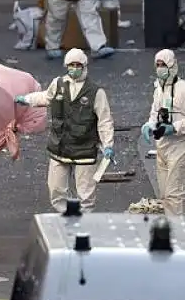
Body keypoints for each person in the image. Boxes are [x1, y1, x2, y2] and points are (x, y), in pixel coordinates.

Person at [15, 48, 115, 213]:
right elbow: (46, 97)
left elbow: (105, 120)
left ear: (84, 66)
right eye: (71, 65)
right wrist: (26, 99)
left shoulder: (96, 93)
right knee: (56, 188)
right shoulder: (58, 84)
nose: (74, 68)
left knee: (86, 193)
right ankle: (64, 218)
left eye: (78, 65)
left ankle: (84, 222)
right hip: (60, 145)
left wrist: (108, 144)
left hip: (85, 148)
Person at [135, 49, 185, 215]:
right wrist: (150, 125)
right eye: (157, 65)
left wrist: (175, 127)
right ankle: (177, 226)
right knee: (166, 195)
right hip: (163, 148)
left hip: (181, 147)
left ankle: (177, 232)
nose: (160, 68)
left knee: (175, 194)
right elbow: (154, 112)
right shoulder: (159, 89)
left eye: (163, 65)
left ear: (172, 65)